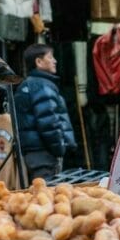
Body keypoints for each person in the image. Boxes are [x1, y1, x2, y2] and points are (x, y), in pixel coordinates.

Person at [14, 44, 76, 181]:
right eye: (50, 57)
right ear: (39, 62)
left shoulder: (29, 84)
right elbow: (49, 122)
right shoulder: (41, 85)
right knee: (46, 196)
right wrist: (60, 149)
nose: (55, 60)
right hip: (43, 155)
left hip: (35, 153)